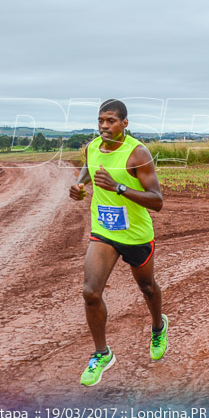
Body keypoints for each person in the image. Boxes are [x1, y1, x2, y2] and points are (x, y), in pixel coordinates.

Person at [68, 99, 167, 386]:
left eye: (110, 121)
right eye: (100, 120)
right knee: (90, 292)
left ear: (125, 123)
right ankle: (102, 353)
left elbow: (157, 201)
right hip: (104, 232)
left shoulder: (137, 153)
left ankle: (158, 327)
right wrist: (79, 184)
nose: (103, 126)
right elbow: (89, 166)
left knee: (147, 287)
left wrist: (118, 187)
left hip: (136, 235)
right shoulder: (92, 147)